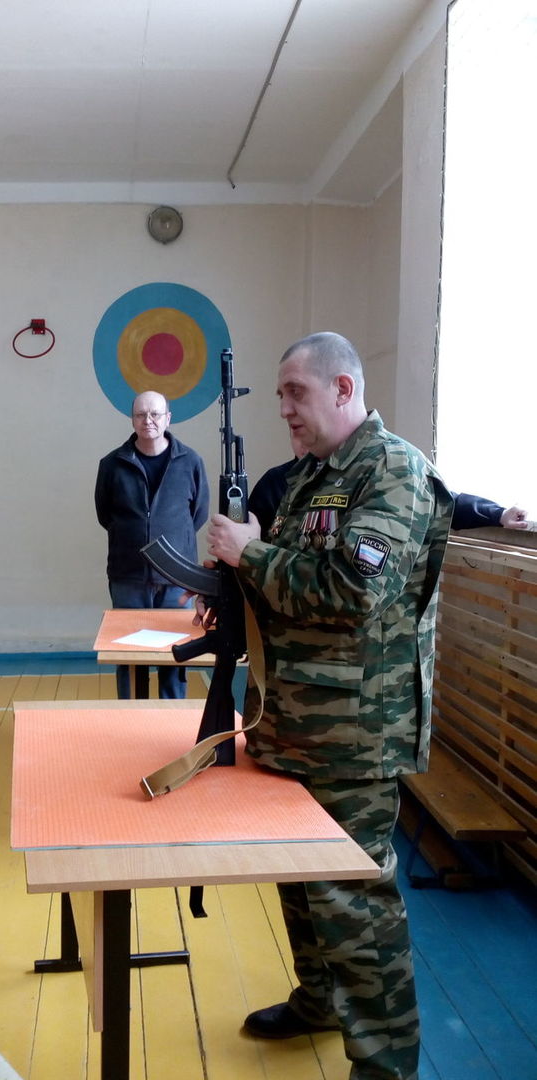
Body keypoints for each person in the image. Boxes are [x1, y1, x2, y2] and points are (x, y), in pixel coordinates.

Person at [205, 332, 454, 1080]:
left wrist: (249, 553)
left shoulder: (393, 471)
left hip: (356, 733)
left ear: (343, 389)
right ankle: (317, 1001)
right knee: (301, 882)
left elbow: (352, 591)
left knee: (355, 907)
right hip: (294, 723)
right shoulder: (315, 476)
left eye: (295, 392)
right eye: (280, 394)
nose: (283, 407)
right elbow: (293, 579)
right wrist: (234, 580)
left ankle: (385, 1066)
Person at [95, 389, 210, 698]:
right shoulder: (112, 464)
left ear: (168, 418)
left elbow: (198, 514)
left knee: (175, 653)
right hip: (127, 578)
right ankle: (130, 714)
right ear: (132, 420)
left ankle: (170, 715)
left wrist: (171, 538)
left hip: (177, 581)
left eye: (155, 414)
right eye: (141, 414)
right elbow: (105, 514)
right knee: (128, 656)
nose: (148, 420)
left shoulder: (191, 462)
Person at [250, 456, 529, 537]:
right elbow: (245, 542)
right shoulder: (276, 482)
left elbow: (439, 501)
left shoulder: (364, 475)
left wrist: (496, 514)